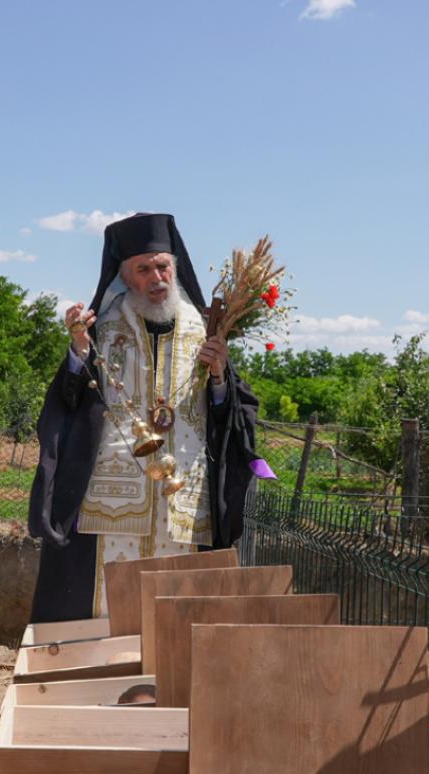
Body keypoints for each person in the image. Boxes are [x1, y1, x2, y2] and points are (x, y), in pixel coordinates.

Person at [28, 213, 262, 622]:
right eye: (144, 269)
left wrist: (219, 376)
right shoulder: (102, 329)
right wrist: (79, 349)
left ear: (175, 267)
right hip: (111, 499)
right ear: (125, 276)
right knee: (102, 610)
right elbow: (68, 402)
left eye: (162, 266)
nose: (157, 278)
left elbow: (230, 411)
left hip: (184, 497)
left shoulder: (204, 330)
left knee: (177, 616)